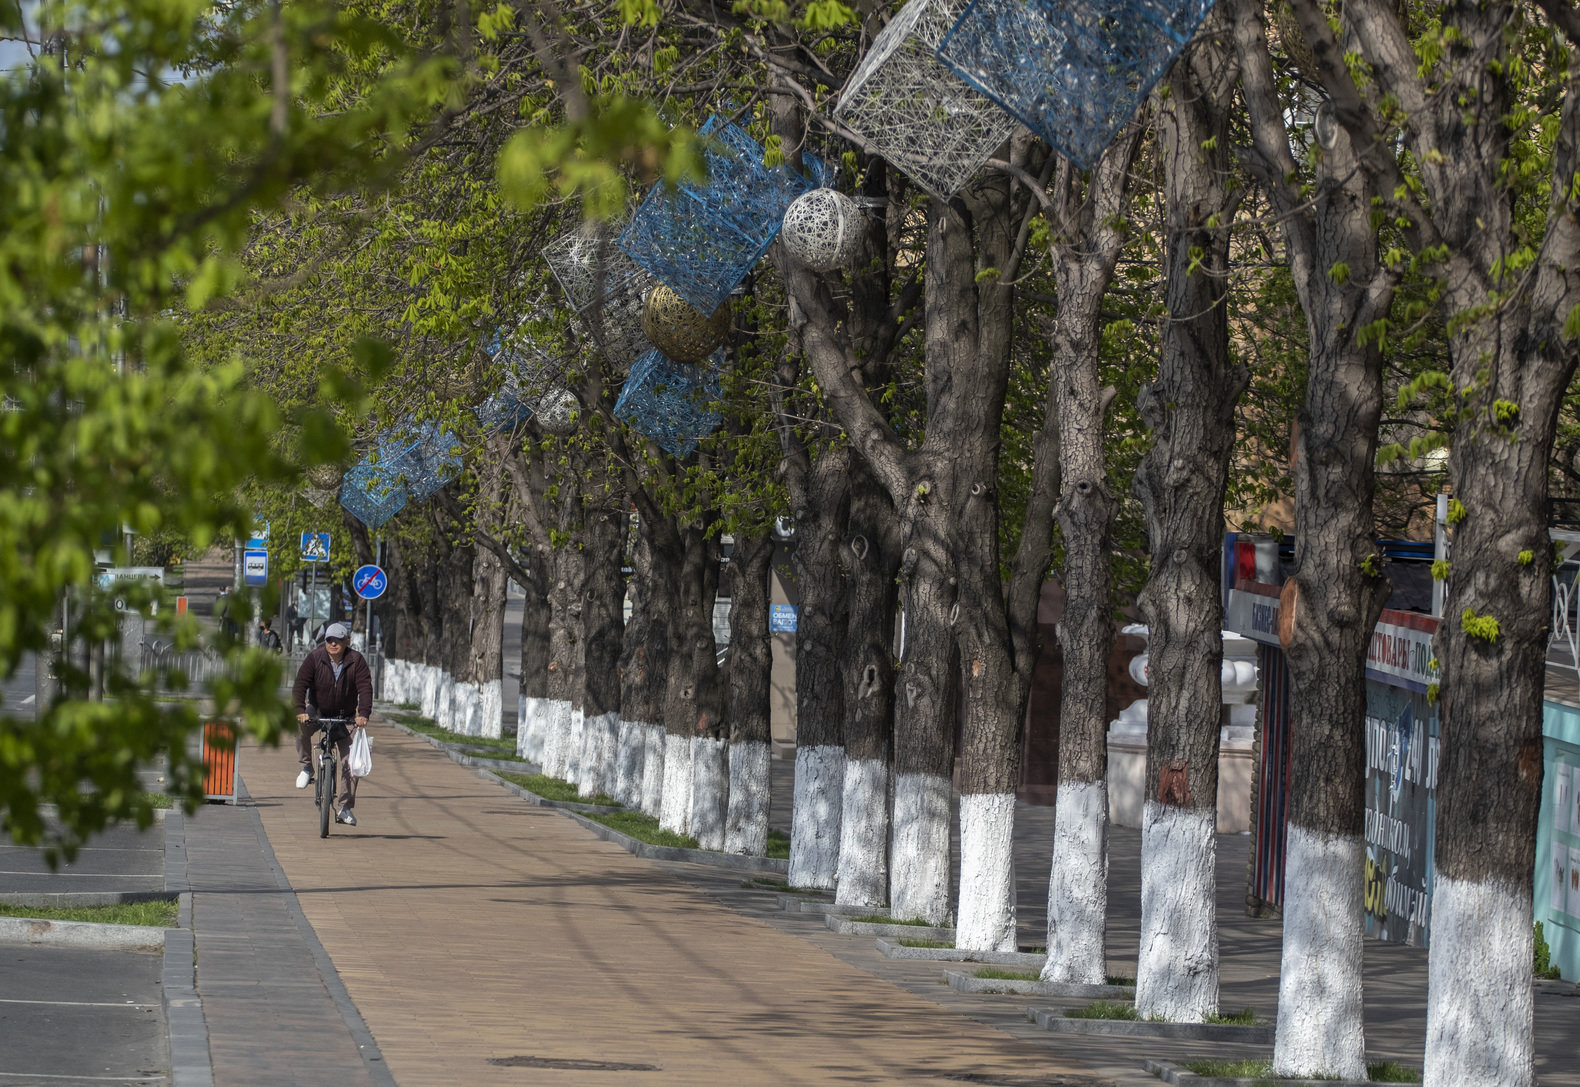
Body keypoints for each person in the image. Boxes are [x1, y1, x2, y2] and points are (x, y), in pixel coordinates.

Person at [291, 621, 372, 826]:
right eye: (329, 640)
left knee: (352, 762)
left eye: (338, 640)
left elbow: (365, 688)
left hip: (344, 717)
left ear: (346, 641)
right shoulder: (315, 658)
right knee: (299, 728)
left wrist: (363, 714)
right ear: (325, 641)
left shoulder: (356, 660)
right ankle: (307, 768)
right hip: (316, 713)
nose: (333, 644)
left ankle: (344, 808)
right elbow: (301, 683)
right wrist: (300, 710)